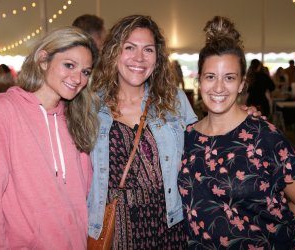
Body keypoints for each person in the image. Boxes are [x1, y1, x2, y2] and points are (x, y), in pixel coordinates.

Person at [87, 14, 259, 249]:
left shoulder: (173, 101)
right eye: (130, 47)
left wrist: (239, 117)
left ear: (157, 58)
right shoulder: (90, 106)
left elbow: (206, 141)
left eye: (148, 50)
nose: (139, 57)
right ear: (113, 51)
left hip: (169, 226)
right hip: (117, 228)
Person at [178, 16, 295, 249]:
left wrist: (268, 220)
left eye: (229, 77)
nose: (218, 87)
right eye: (210, 77)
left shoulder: (263, 135)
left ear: (241, 84)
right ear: (199, 81)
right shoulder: (187, 138)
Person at [0, 26, 99, 249]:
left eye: (85, 71)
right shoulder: (0, 114)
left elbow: (82, 193)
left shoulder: (76, 119)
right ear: (44, 60)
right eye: (69, 65)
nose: (78, 78)